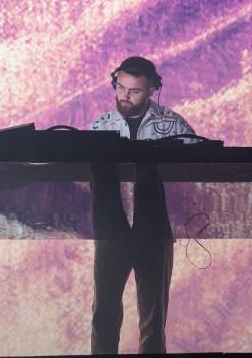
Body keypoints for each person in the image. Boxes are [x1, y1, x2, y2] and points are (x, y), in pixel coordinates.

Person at [89, 56, 195, 354]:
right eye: (120, 87)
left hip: (156, 231)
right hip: (111, 231)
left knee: (153, 316)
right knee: (104, 313)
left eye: (135, 91)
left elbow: (199, 167)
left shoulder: (173, 124)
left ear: (152, 89)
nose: (125, 96)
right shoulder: (99, 127)